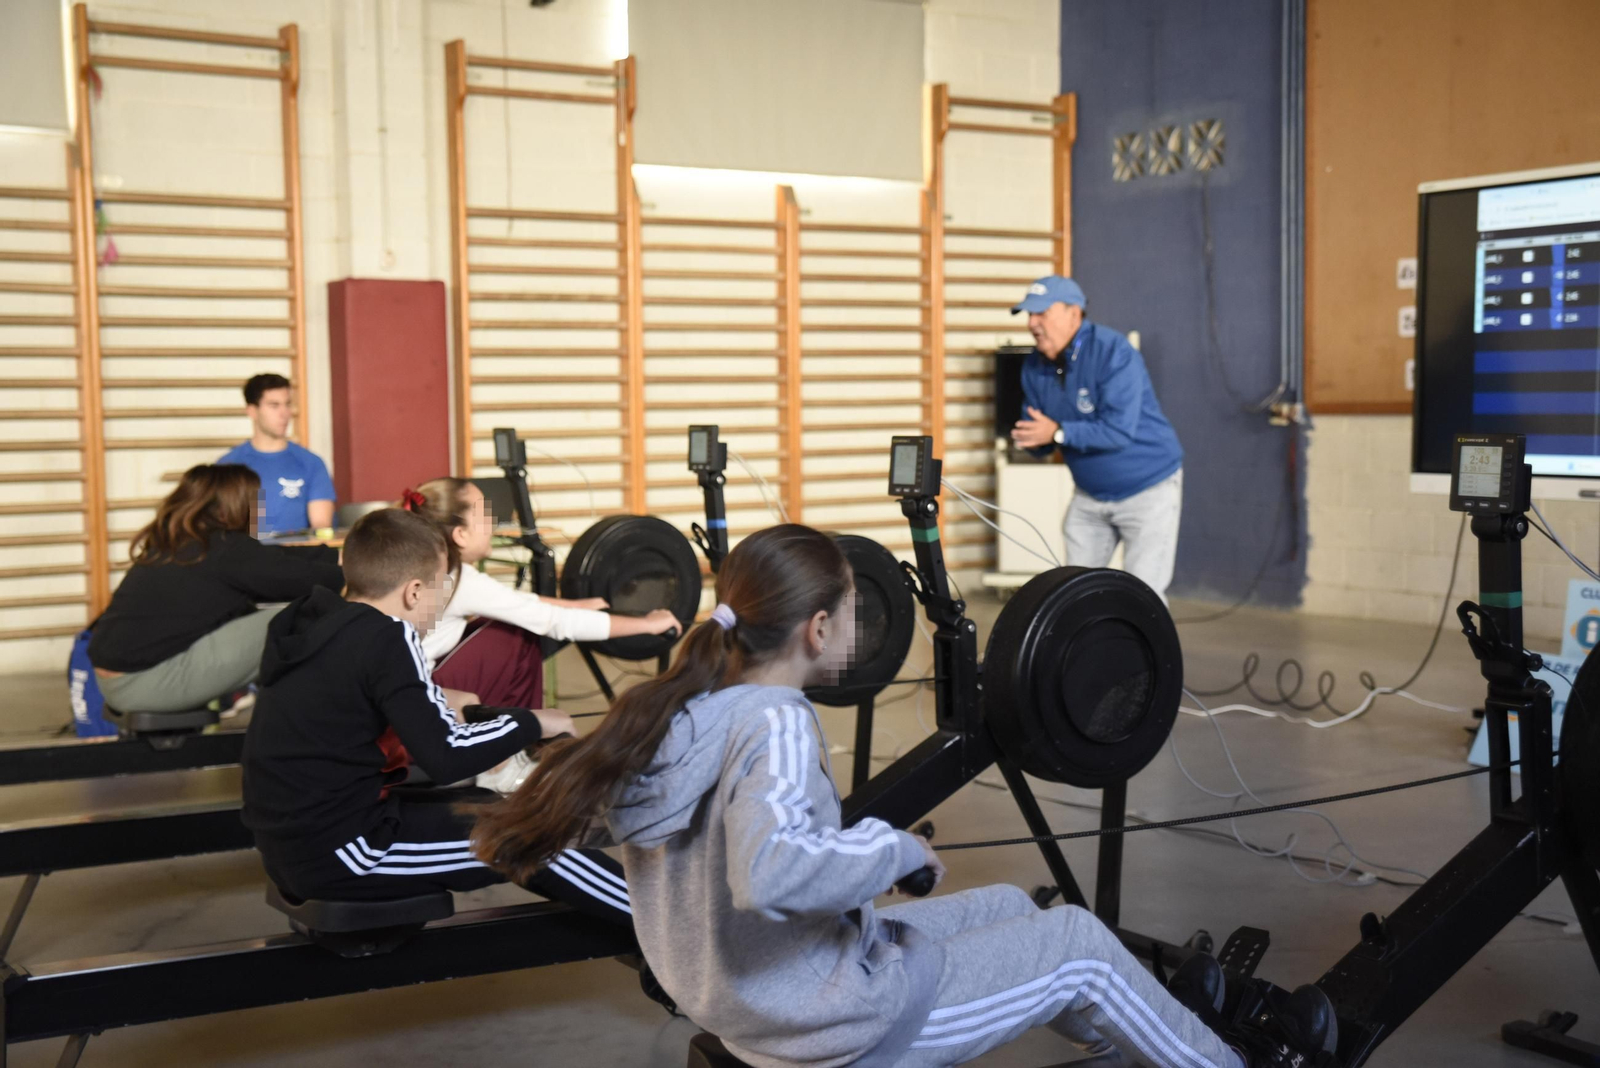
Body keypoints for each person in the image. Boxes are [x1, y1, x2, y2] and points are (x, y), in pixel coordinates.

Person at [469, 525, 1333, 1068]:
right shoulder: (774, 720)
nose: (857, 629)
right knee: (1072, 938)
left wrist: (874, 851)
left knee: (1003, 901)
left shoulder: (680, 707)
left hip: (746, 1000)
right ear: (819, 629)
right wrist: (893, 850)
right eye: (852, 615)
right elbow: (772, 871)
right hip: (827, 1026)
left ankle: (1122, 1033)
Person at [240, 507, 631, 922]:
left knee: (482, 802)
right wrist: (531, 722)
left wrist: (435, 698)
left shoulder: (309, 620)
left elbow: (341, 693)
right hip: (347, 852)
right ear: (412, 592)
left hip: (292, 844)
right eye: (439, 591)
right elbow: (446, 756)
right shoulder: (390, 635)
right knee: (532, 842)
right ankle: (677, 937)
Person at [401, 478, 680, 710]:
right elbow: (552, 622)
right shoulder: (461, 581)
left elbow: (513, 602)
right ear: (460, 535)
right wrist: (647, 624)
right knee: (515, 633)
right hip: (415, 704)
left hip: (400, 691)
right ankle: (511, 748)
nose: (493, 521)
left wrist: (574, 605)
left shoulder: (433, 570)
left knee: (506, 621)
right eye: (484, 514)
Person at [89, 464, 342, 714]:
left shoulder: (186, 543)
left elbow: (273, 558)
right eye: (255, 501)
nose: (259, 509)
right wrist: (361, 570)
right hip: (144, 682)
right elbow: (305, 579)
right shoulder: (224, 550)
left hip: (118, 679)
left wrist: (339, 556)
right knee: (304, 617)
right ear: (235, 505)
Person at [1010, 276, 1185, 602]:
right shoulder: (1033, 366)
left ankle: (1140, 654)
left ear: (1073, 314)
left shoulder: (1113, 352)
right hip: (1091, 495)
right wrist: (1034, 441)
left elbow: (1118, 431)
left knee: (1142, 599)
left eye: (1041, 314)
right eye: (1029, 315)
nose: (1032, 323)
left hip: (1148, 490)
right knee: (1073, 596)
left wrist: (1058, 432)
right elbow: (1045, 435)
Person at [218, 372, 335, 535]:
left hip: (298, 557)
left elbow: (322, 528)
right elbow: (222, 527)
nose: (284, 413)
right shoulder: (228, 465)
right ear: (252, 411)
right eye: (274, 405)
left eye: (287, 404)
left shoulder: (311, 463)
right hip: (248, 557)